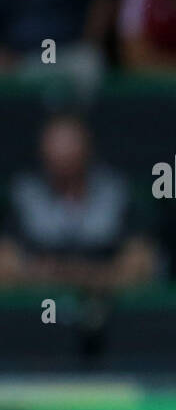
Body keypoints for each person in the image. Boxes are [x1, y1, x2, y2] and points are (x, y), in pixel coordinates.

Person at [0, 115, 157, 291]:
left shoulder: (117, 194)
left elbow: (140, 267)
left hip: (105, 308)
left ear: (89, 148)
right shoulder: (24, 196)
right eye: (55, 144)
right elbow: (5, 268)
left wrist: (77, 275)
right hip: (39, 308)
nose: (62, 153)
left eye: (70, 143)